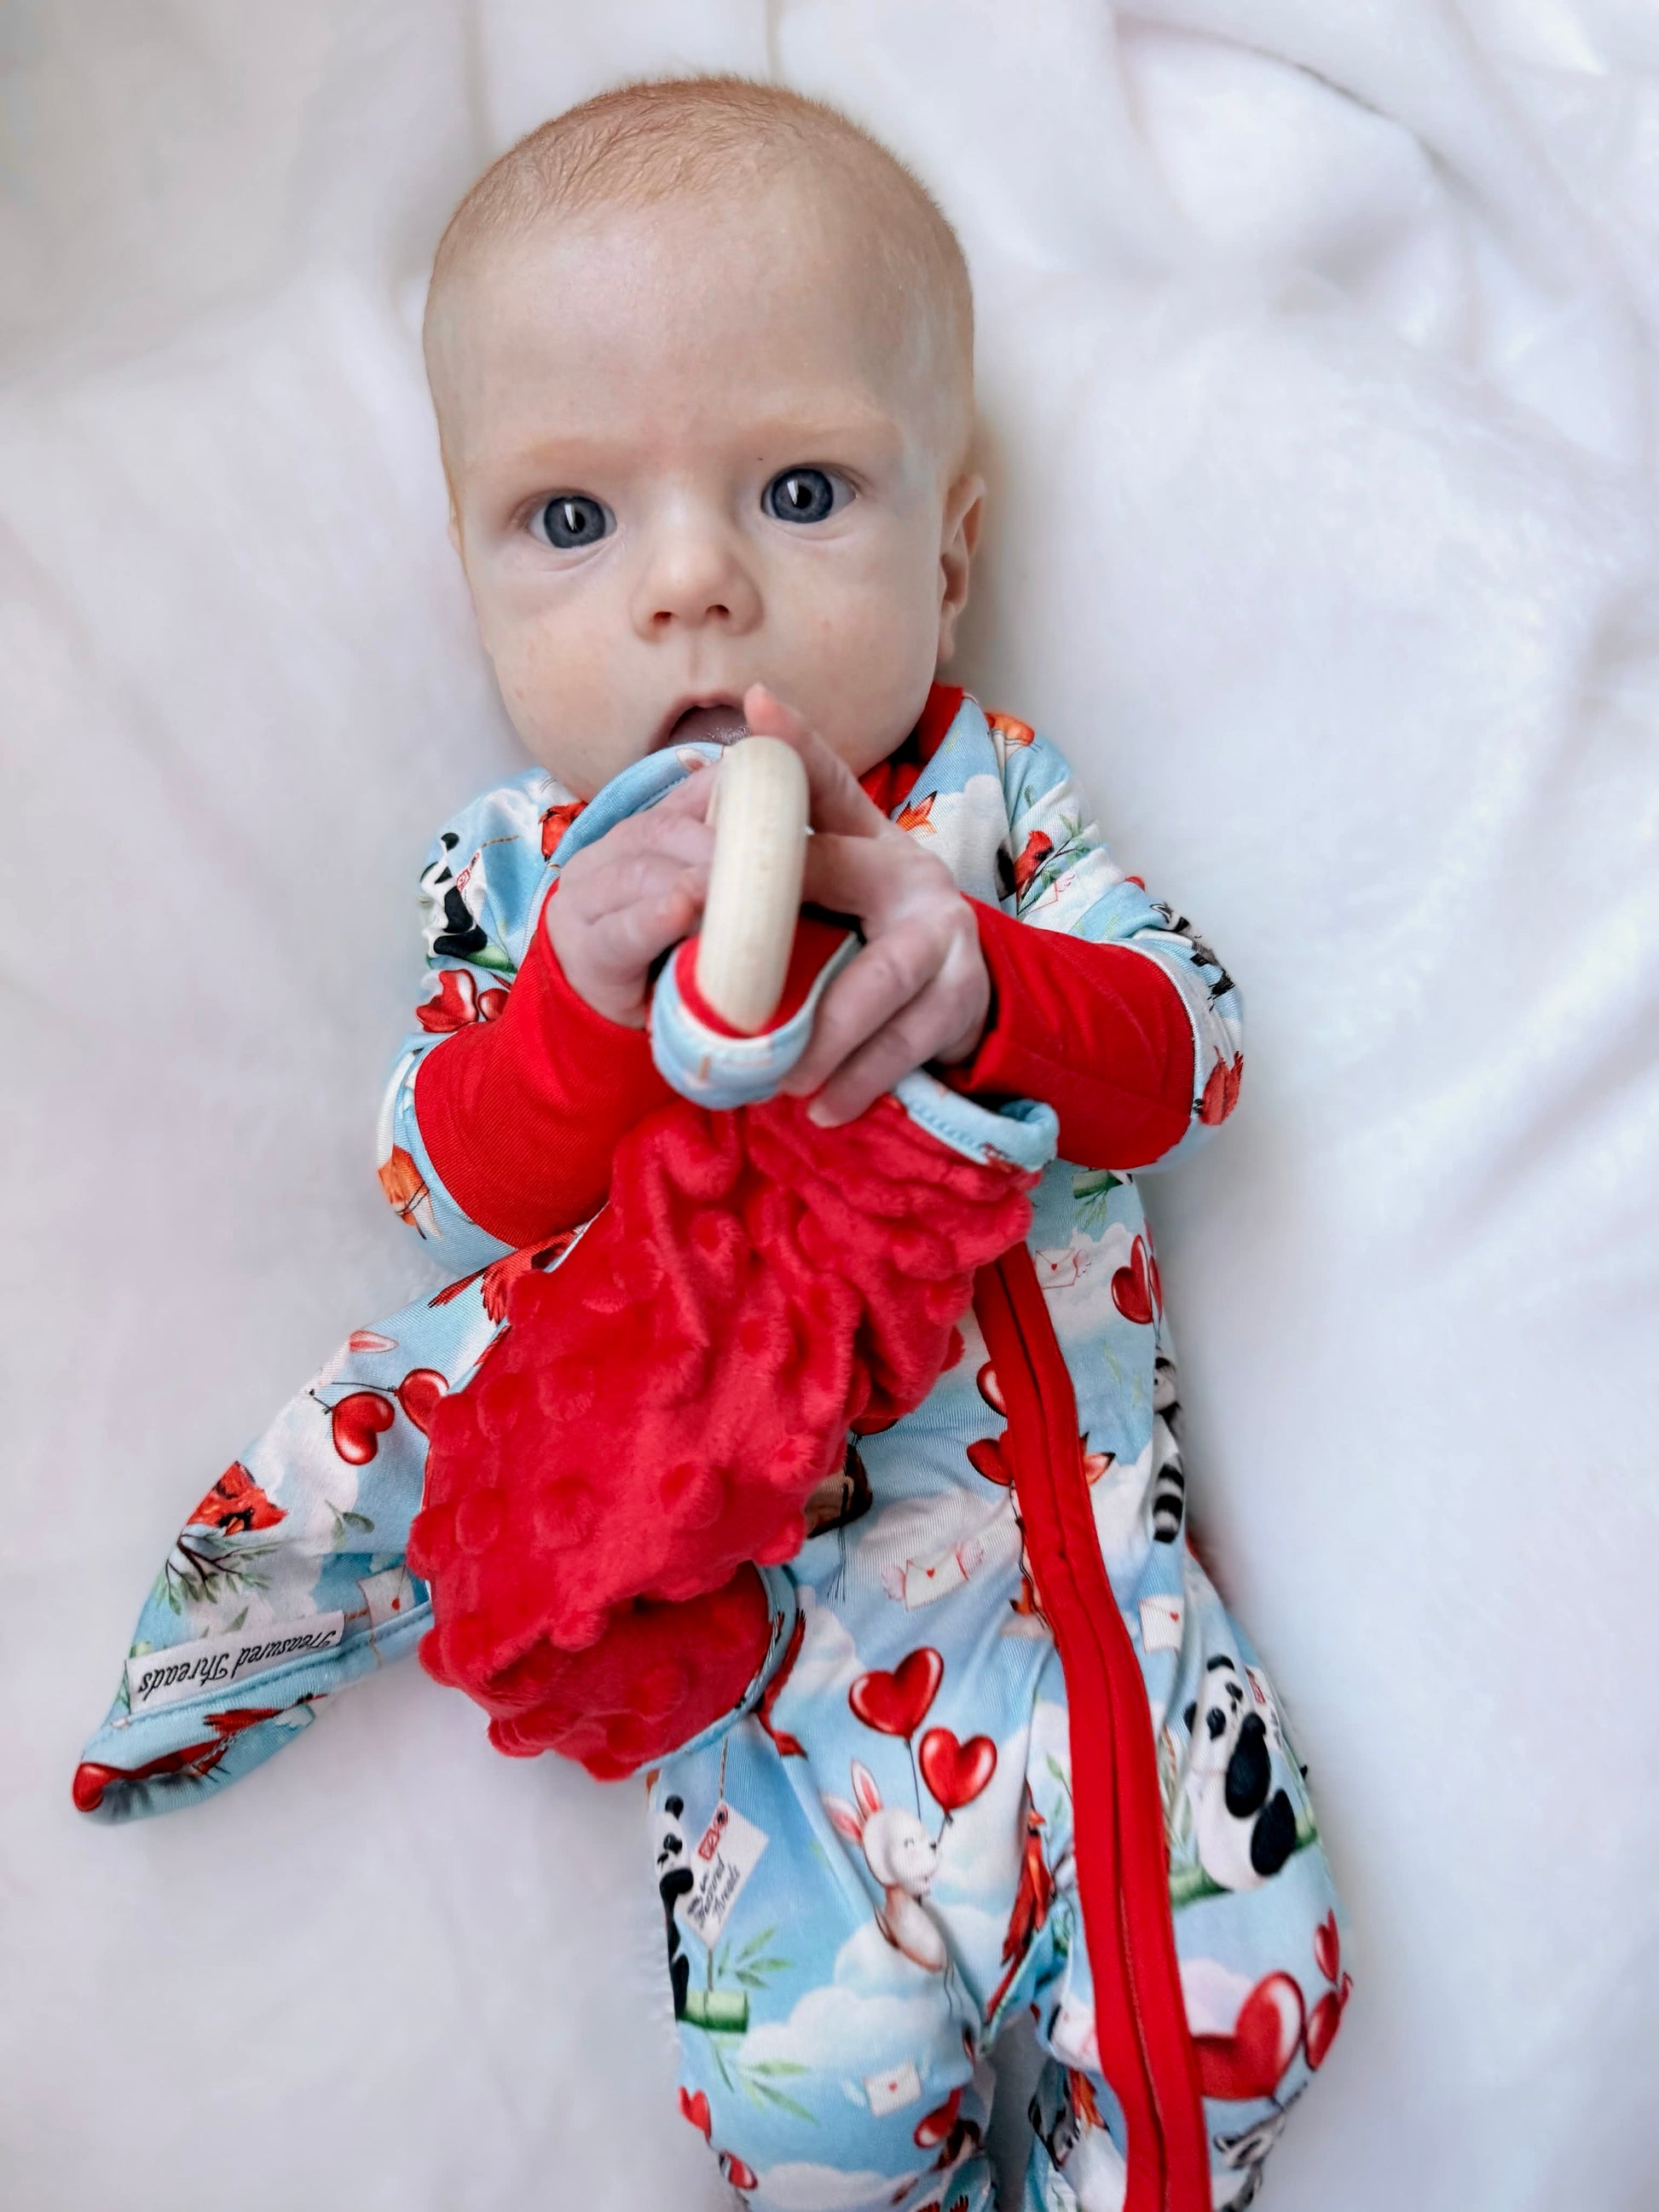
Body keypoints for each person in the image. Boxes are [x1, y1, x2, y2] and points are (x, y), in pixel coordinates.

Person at [77, 78, 1346, 2212]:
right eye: (572, 519)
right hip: (764, 1716)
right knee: (799, 2125)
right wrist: (579, 1014)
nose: (691, 583)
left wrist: (987, 982)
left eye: (798, 489)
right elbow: (446, 1191)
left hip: (1091, 1645)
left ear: (950, 553)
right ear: (471, 581)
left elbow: (1191, 1053)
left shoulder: (988, 814)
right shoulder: (512, 880)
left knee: (1240, 2018)